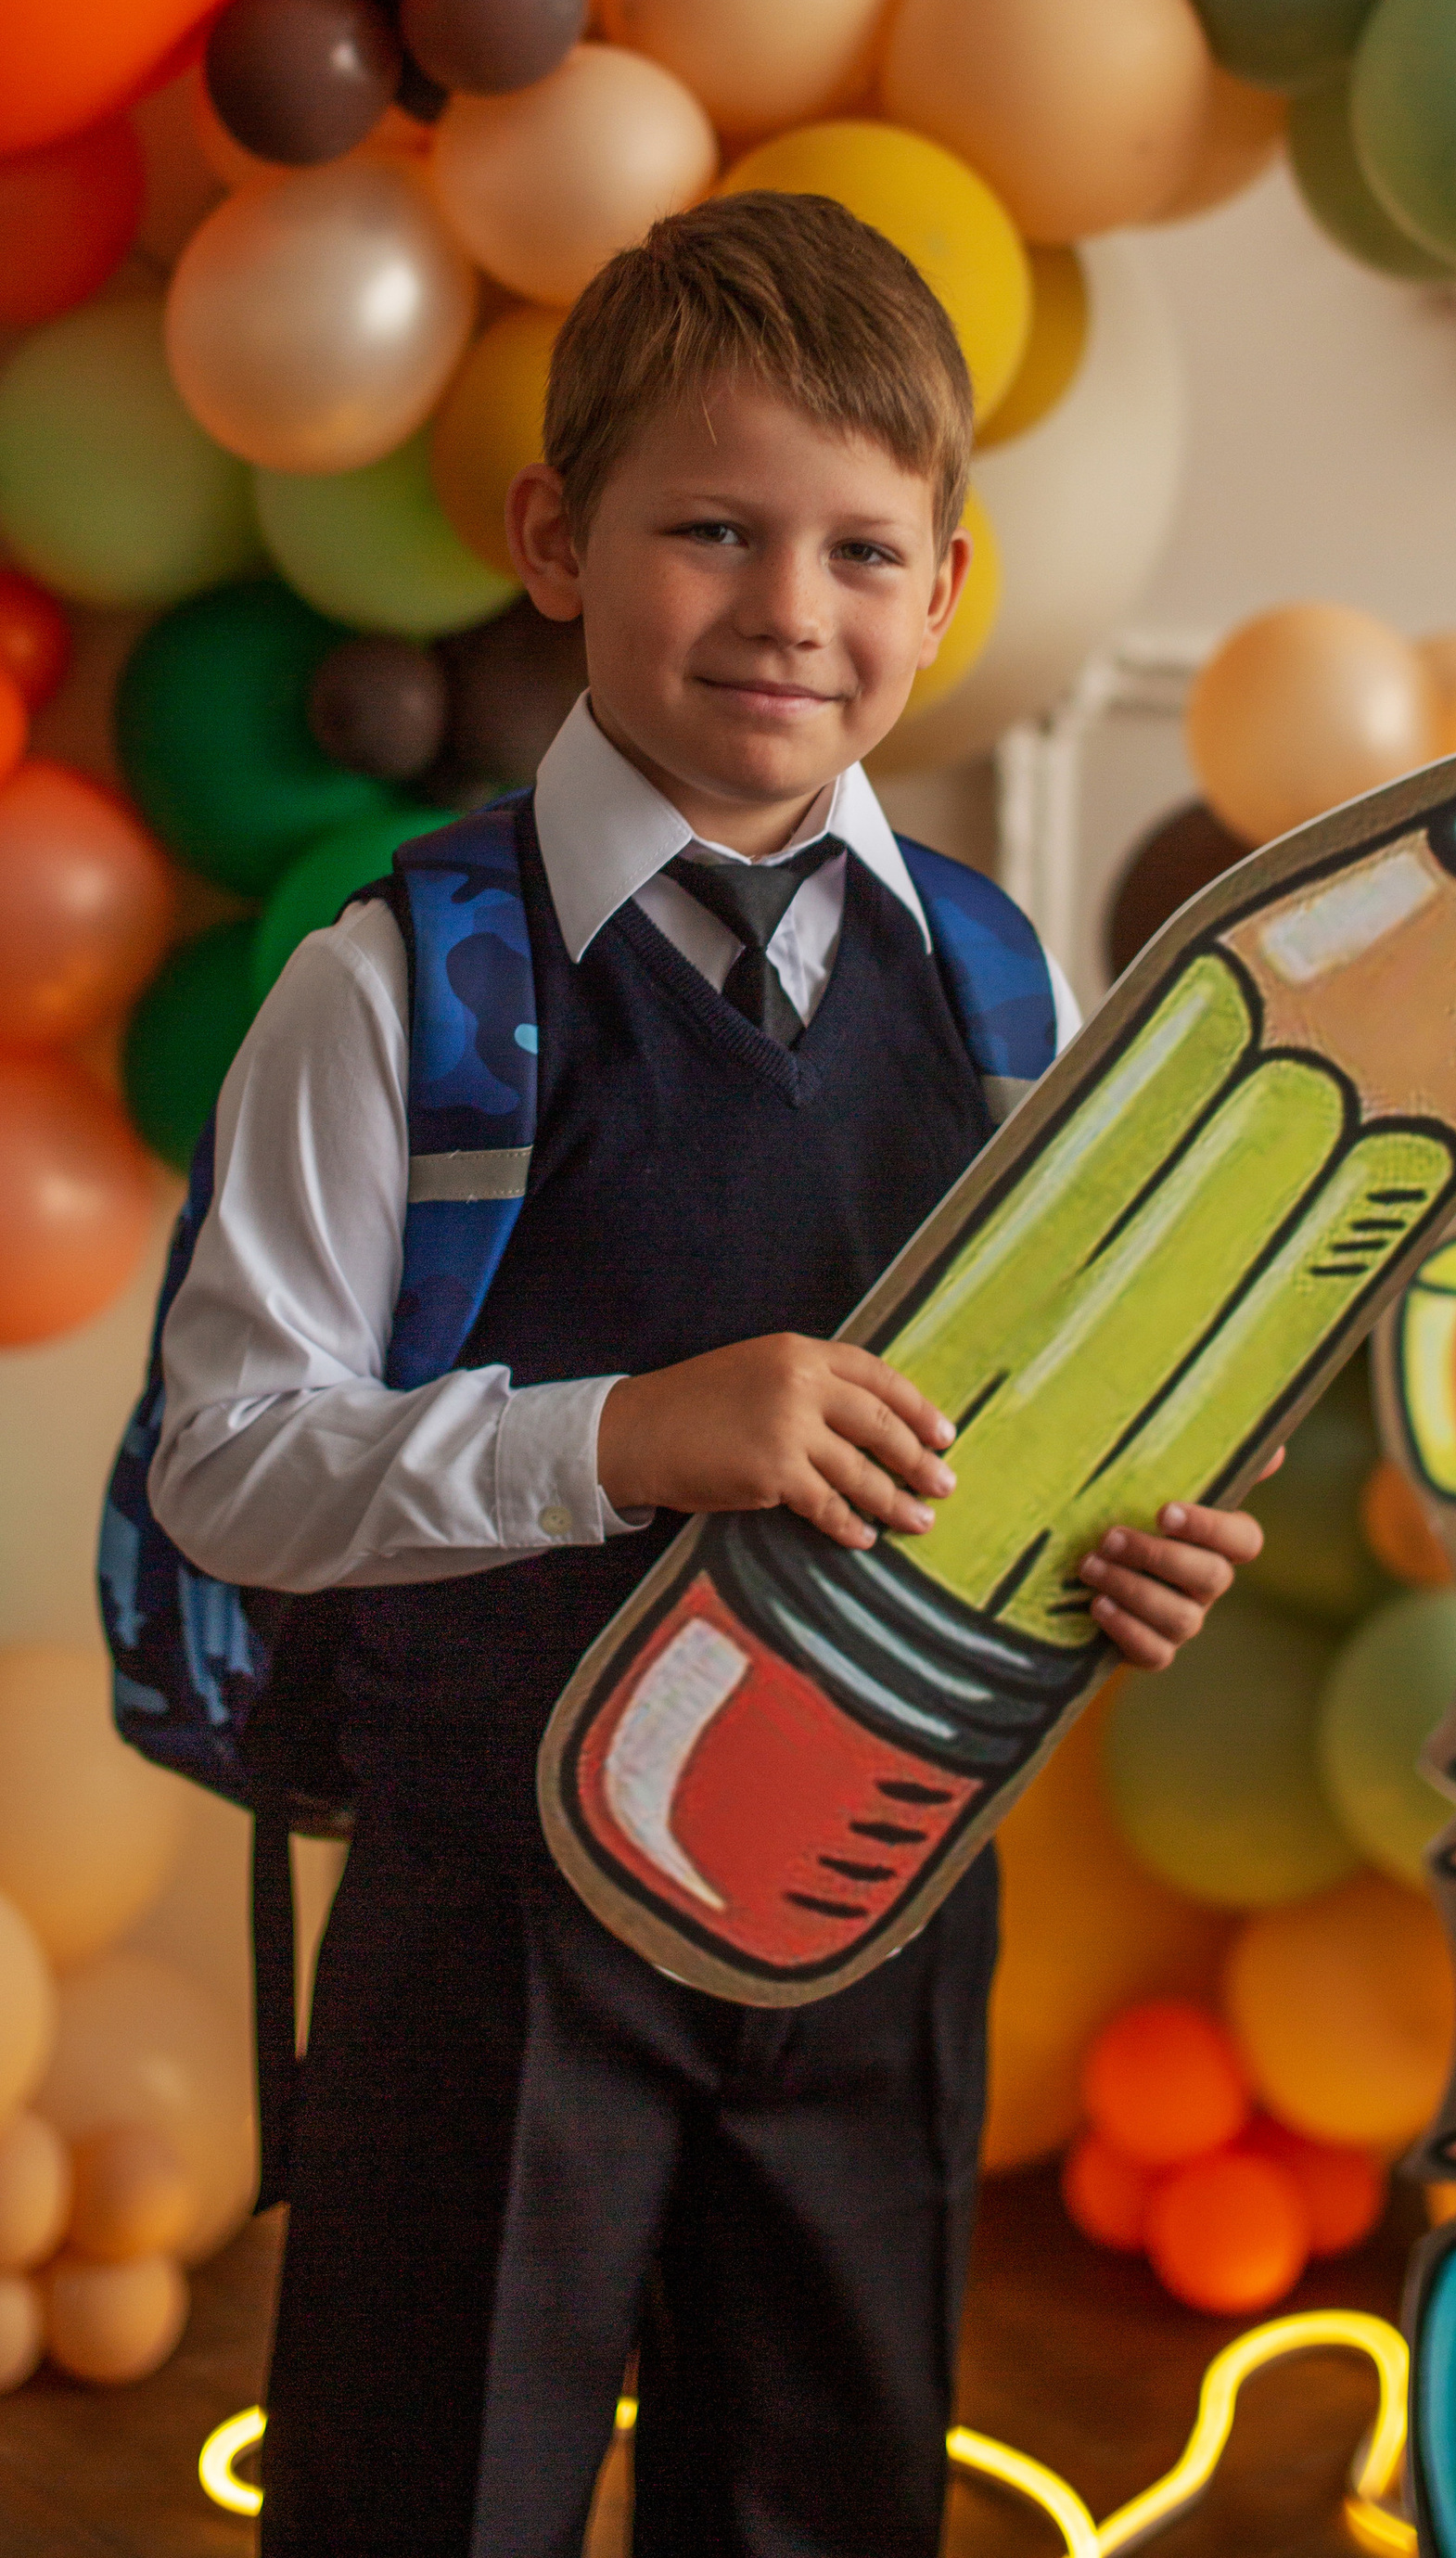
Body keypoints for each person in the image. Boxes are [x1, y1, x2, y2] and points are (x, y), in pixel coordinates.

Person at [150, 194, 1271, 2558]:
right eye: (713, 531)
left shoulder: (997, 992)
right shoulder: (398, 993)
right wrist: (624, 1432)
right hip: (499, 1921)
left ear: (945, 591)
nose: (789, 609)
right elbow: (228, 1472)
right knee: (425, 2491)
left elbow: (1023, 1427)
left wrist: (1115, 1547)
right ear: (556, 540)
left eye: (864, 551)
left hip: (874, 1902)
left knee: (820, 2497)